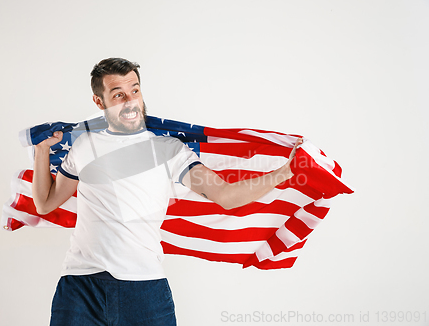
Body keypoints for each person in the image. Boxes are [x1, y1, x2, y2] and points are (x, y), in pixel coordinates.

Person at [32, 57, 302, 326]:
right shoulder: (83, 145)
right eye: (118, 95)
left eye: (135, 90)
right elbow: (45, 204)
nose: (130, 101)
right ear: (99, 102)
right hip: (80, 287)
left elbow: (225, 196)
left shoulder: (168, 150)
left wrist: (285, 173)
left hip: (143, 289)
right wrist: (42, 150)